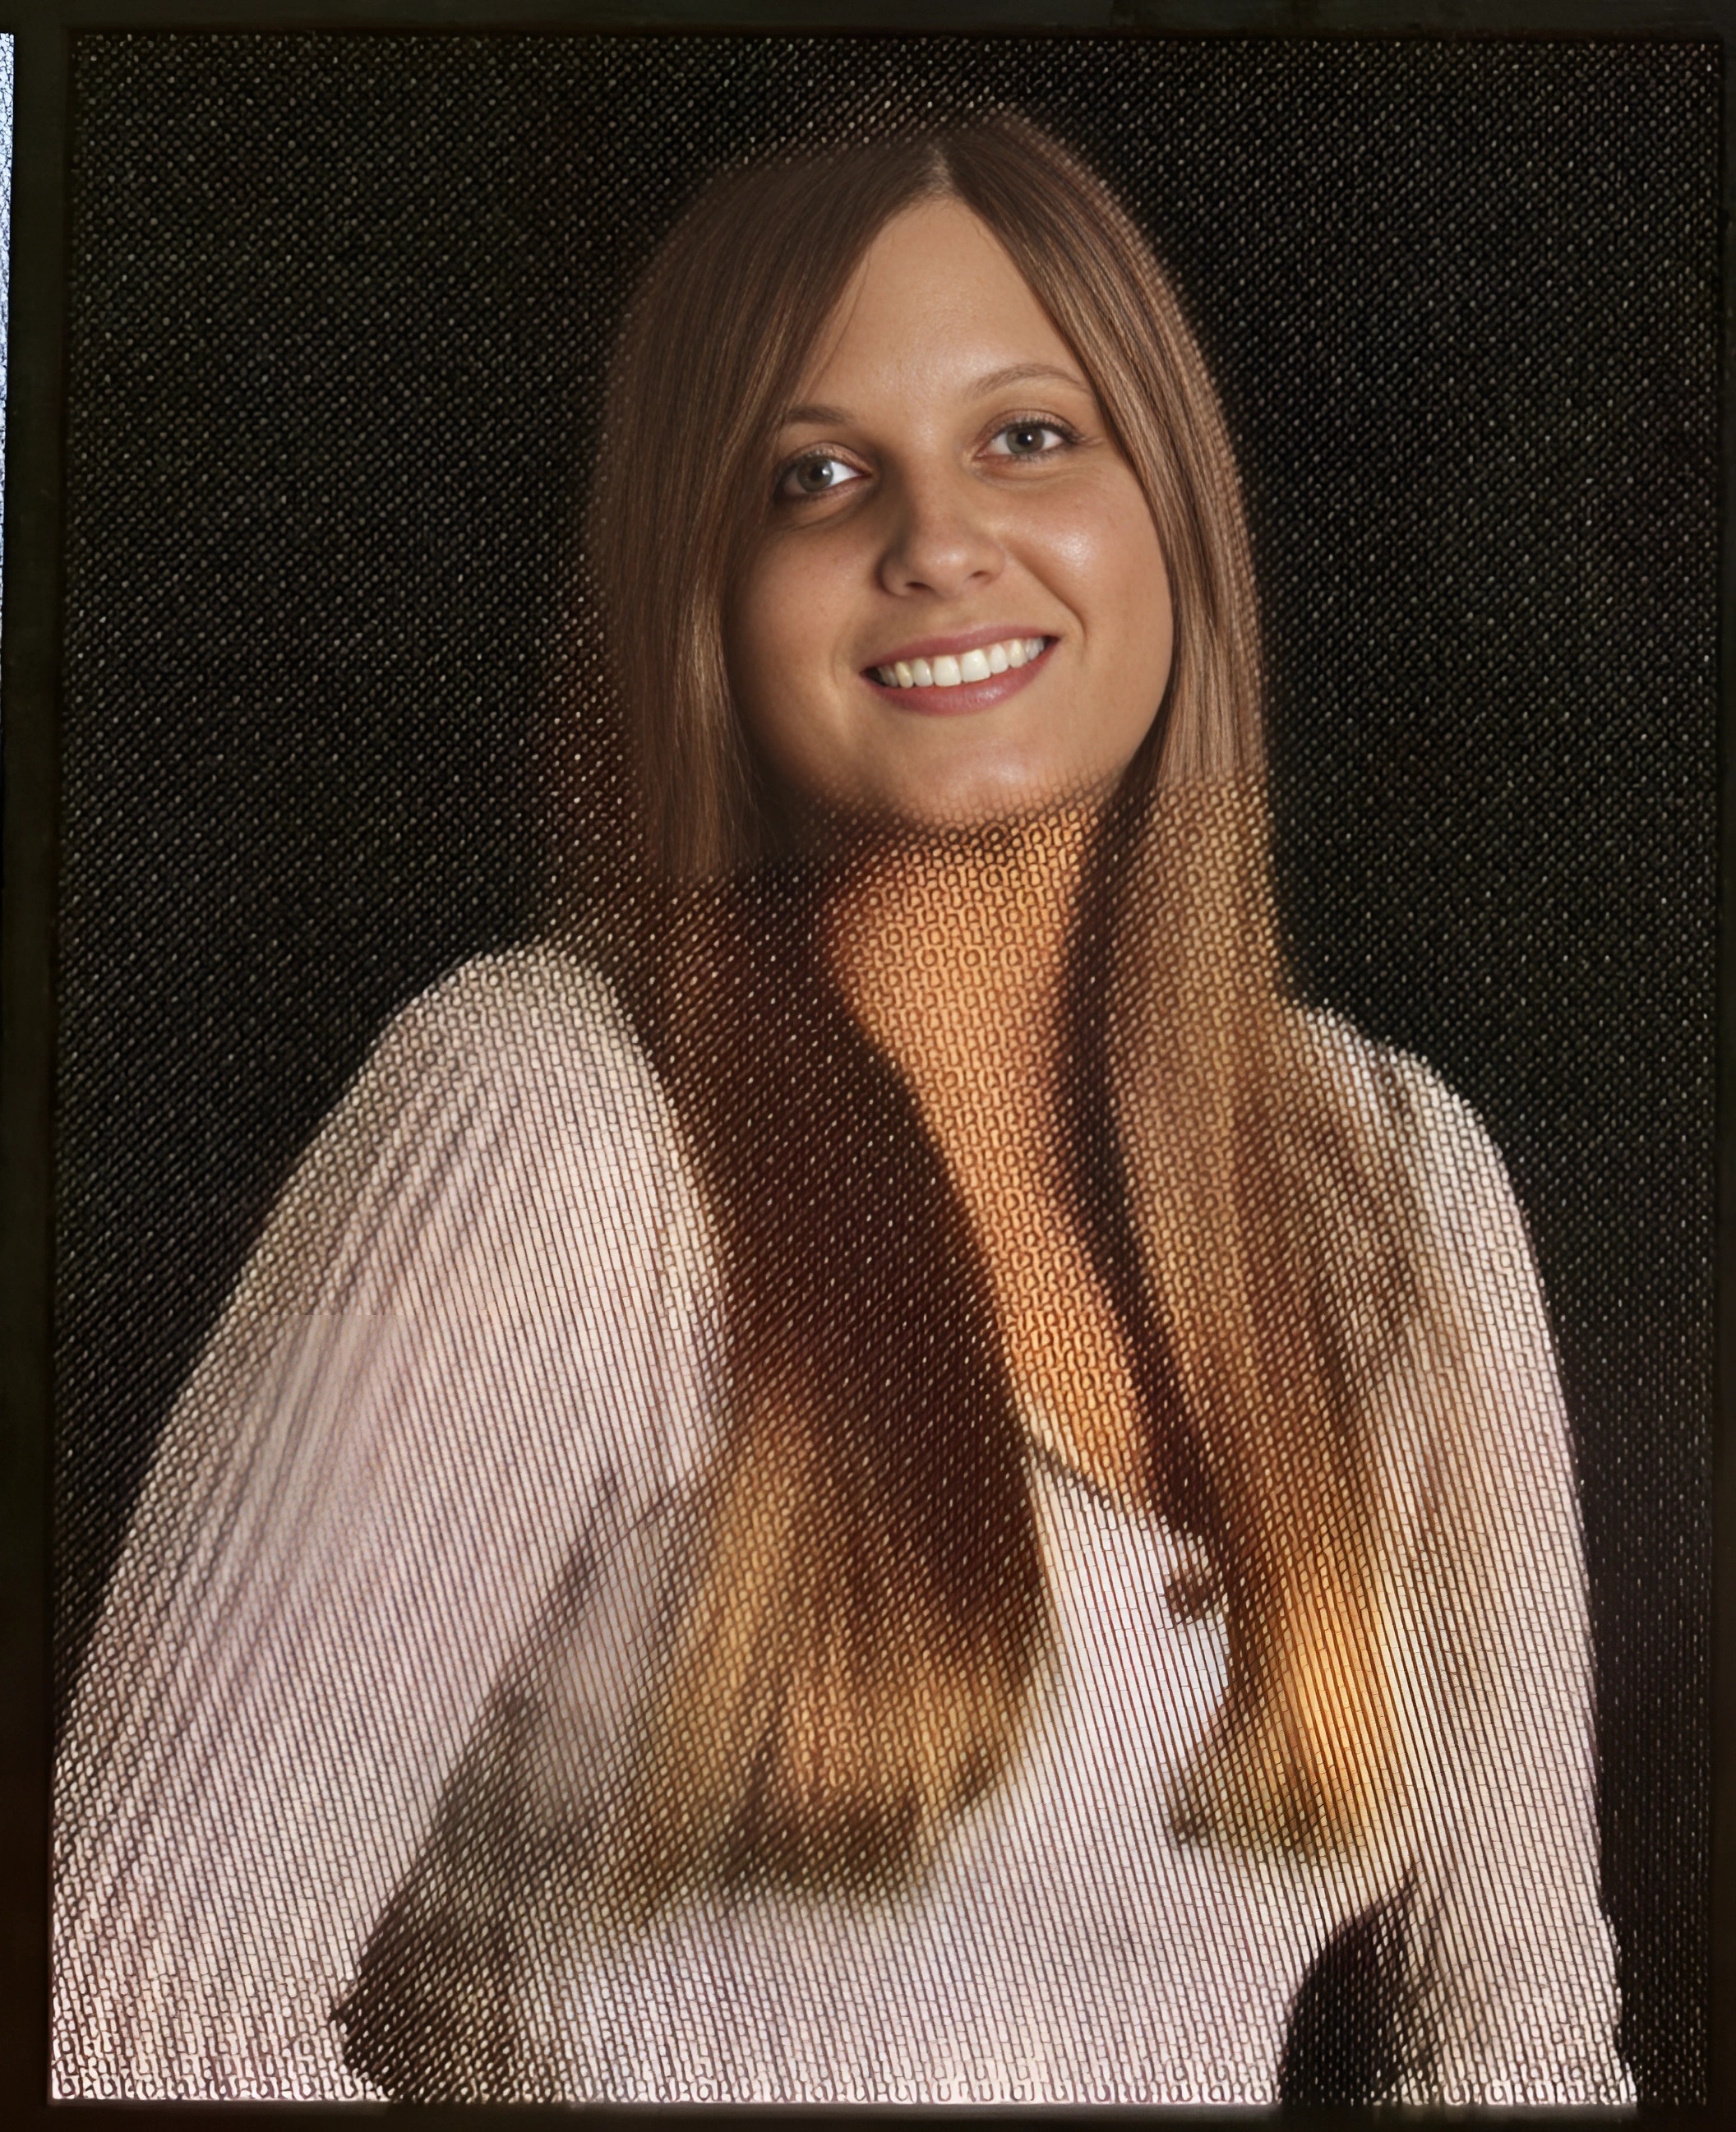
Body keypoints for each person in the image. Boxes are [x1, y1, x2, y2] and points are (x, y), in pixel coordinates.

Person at [52, 115, 1632, 2107]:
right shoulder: (551, 1131)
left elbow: (1521, 2044)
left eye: (1030, 437)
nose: (938, 539)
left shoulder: (1394, 1184)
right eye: (815, 476)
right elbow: (124, 2023)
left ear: (1176, 509)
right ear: (699, 587)